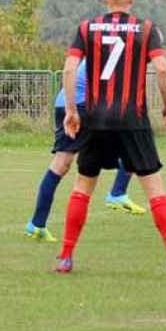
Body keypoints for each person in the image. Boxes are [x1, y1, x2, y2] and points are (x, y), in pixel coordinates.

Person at [55, 0, 166, 277]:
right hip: (132, 119)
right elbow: (164, 68)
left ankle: (65, 256)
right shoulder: (145, 29)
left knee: (83, 186)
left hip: (95, 119)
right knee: (154, 188)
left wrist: (72, 111)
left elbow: (69, 67)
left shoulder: (86, 28)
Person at [24, 60, 144, 243]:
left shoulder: (106, 42)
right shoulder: (119, 51)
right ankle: (117, 194)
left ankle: (36, 225)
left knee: (61, 164)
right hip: (82, 105)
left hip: (66, 102)